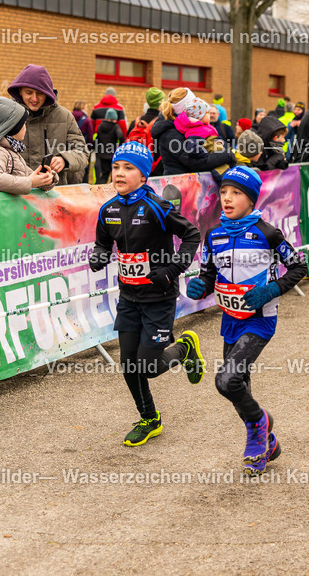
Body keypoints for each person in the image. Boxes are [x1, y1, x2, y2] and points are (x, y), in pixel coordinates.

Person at [186, 166, 307, 475]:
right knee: (239, 388)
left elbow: (298, 266)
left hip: (259, 321)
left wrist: (271, 290)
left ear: (251, 200)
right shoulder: (214, 235)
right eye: (224, 192)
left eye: (236, 193)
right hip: (231, 320)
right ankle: (267, 441)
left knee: (226, 380)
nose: (227, 198)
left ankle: (259, 426)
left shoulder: (268, 233)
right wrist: (200, 286)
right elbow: (208, 274)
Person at [88, 141, 205, 446]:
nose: (119, 173)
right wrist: (99, 256)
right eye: (116, 166)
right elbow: (103, 243)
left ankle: (184, 349)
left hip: (158, 298)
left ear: (143, 176)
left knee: (149, 367)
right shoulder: (108, 210)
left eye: (128, 168)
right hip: (129, 298)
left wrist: (171, 269)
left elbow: (192, 234)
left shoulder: (157, 206)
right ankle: (150, 419)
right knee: (129, 364)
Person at [7, 64, 89, 185]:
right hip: (15, 191)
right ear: (20, 91)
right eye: (29, 92)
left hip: (54, 191)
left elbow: (82, 151)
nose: (34, 99)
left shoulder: (64, 116)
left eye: (40, 93)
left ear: (47, 93)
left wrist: (64, 159)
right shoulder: (7, 115)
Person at [0, 100, 59, 195]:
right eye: (23, 124)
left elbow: (27, 176)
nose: (25, 127)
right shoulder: (0, 151)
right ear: (14, 127)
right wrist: (30, 182)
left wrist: (46, 178)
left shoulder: (12, 151)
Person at [150, 89, 235, 176]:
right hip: (180, 182)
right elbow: (196, 163)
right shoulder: (170, 133)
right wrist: (227, 155)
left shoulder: (188, 126)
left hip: (191, 180)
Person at [94, 108, 126, 184]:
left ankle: (100, 190)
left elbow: (97, 139)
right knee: (114, 175)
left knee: (104, 175)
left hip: (102, 155)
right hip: (112, 155)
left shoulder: (100, 126)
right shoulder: (115, 126)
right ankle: (113, 190)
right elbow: (120, 136)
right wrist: (120, 147)